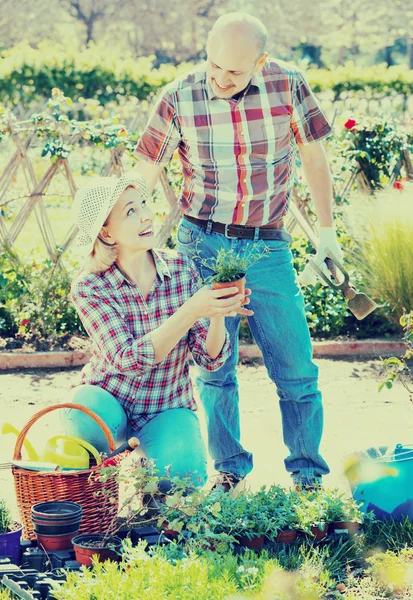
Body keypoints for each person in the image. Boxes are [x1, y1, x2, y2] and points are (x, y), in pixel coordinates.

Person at [132, 12, 343, 490]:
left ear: (260, 61)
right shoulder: (180, 94)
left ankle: (308, 473)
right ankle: (230, 470)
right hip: (201, 242)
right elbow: (147, 165)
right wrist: (123, 212)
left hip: (265, 244)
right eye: (214, 66)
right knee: (214, 368)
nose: (220, 79)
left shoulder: (288, 84)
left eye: (234, 71)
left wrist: (326, 230)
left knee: (295, 369)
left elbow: (313, 154)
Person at [62, 172, 247, 491]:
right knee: (81, 421)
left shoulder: (180, 269)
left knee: (184, 477)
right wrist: (190, 310)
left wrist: (217, 313)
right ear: (106, 232)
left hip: (166, 407)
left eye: (144, 204)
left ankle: (151, 474)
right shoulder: (90, 286)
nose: (146, 215)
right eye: (130, 211)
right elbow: (127, 359)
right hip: (109, 400)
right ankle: (94, 492)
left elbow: (209, 358)